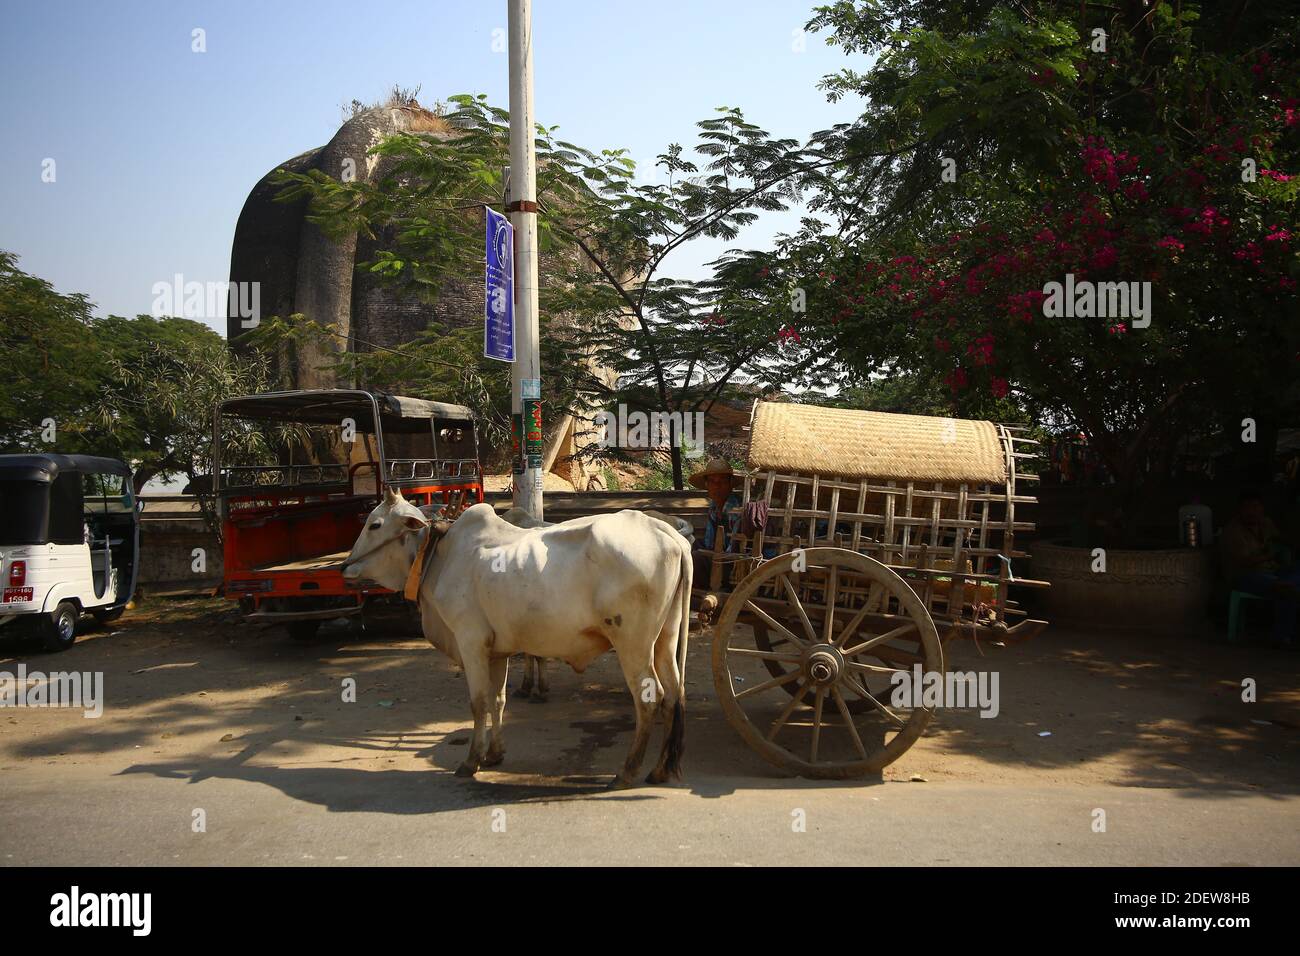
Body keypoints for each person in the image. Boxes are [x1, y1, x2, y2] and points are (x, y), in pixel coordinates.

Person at [1220, 490, 1300, 644]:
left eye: (1256, 507)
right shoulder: (1232, 532)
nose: (1252, 512)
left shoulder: (1265, 523)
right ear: (1239, 511)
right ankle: (1282, 637)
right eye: (1247, 508)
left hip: (1272, 571)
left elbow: (1281, 540)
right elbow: (1245, 562)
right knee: (1285, 589)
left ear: (1262, 509)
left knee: (1290, 579)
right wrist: (1270, 555)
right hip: (1245, 575)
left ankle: (1288, 585)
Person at [689, 458, 741, 585]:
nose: (717, 486)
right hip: (717, 553)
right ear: (707, 485)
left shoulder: (735, 510)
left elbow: (732, 549)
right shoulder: (713, 507)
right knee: (690, 544)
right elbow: (709, 541)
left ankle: (704, 590)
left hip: (732, 562)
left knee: (696, 558)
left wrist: (708, 555)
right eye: (712, 482)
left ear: (730, 484)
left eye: (722, 481)